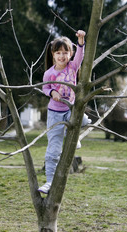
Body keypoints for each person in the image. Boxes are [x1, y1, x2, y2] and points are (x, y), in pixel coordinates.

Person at [38, 30, 91, 194]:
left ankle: (74, 139)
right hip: (54, 113)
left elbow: (81, 57)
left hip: (70, 108)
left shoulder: (72, 67)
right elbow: (45, 87)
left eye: (65, 52)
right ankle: (49, 182)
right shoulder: (49, 73)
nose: (62, 56)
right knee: (53, 149)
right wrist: (52, 92)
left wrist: (81, 41)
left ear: (70, 53)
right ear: (53, 54)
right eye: (58, 53)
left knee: (84, 121)